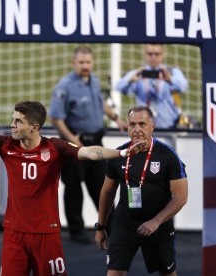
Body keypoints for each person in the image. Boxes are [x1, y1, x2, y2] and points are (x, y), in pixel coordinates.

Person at [0, 100, 146, 276]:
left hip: (46, 234)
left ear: (34, 127)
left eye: (18, 121)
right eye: (13, 119)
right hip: (14, 234)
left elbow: (92, 152)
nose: (12, 125)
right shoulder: (5, 145)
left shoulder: (56, 149)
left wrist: (121, 152)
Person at [95, 106, 188, 276]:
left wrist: (156, 221)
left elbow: (181, 197)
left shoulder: (168, 156)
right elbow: (107, 192)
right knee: (114, 273)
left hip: (158, 225)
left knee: (167, 273)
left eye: (142, 124)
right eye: (132, 124)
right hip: (125, 223)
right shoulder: (119, 154)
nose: (137, 129)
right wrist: (101, 227)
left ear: (152, 126)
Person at [49, 45, 126, 244]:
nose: (85, 66)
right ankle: (76, 232)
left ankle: (113, 228)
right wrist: (72, 140)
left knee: (103, 186)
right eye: (81, 62)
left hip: (96, 143)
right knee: (73, 188)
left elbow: (101, 103)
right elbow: (56, 118)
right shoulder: (64, 87)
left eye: (88, 62)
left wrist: (116, 118)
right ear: (73, 63)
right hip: (74, 146)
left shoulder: (94, 81)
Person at [116, 44, 189, 129]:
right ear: (145, 54)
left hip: (168, 128)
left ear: (163, 55)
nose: (153, 57)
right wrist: (130, 80)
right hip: (144, 130)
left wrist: (170, 79)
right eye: (150, 54)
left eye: (157, 54)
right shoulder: (139, 73)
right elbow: (119, 87)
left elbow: (184, 86)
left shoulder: (171, 72)